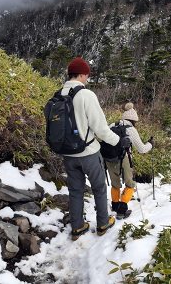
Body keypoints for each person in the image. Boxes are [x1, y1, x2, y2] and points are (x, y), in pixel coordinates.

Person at [60, 57, 127, 240]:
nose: (87, 79)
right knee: (99, 188)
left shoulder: (58, 94)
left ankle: (77, 227)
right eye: (87, 75)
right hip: (88, 153)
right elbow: (101, 129)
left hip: (67, 154)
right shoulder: (85, 95)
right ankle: (103, 223)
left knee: (75, 191)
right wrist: (118, 141)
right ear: (82, 74)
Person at [106, 103, 153, 219]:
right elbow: (142, 149)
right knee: (130, 183)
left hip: (109, 157)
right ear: (133, 120)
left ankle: (115, 206)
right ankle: (122, 210)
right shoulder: (130, 129)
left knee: (115, 183)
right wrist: (151, 144)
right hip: (124, 158)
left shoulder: (112, 125)